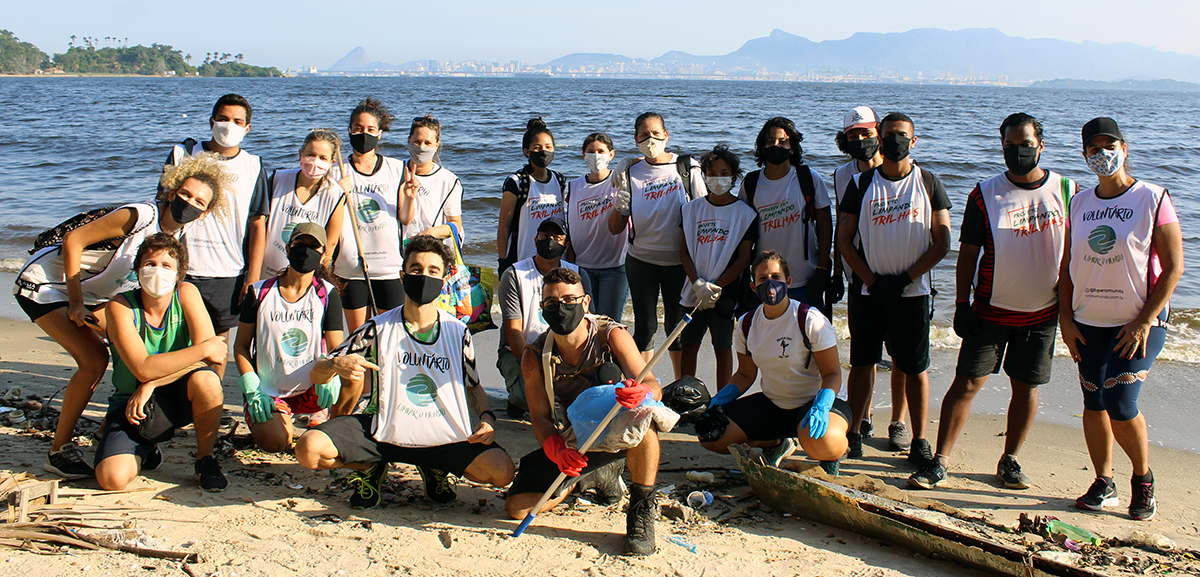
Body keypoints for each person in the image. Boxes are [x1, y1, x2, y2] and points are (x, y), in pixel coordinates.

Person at [16, 154, 227, 479]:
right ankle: (59, 449)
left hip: (95, 294)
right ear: (172, 192)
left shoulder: (177, 238)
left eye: (199, 201)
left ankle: (122, 431)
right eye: (185, 195)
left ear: (207, 211)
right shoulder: (141, 215)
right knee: (94, 359)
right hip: (49, 285)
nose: (189, 203)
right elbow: (74, 240)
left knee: (130, 343)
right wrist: (74, 302)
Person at [909, 113, 1076, 490]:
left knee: (1026, 387)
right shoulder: (985, 193)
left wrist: (1073, 311)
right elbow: (967, 253)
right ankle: (940, 461)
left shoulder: (1068, 191)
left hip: (1042, 314)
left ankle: (1010, 460)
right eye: (1010, 146)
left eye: (1026, 145)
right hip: (990, 311)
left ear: (1041, 145)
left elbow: (1078, 255)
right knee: (966, 384)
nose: (1018, 152)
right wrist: (962, 304)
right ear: (1001, 147)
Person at [295, 236, 514, 508]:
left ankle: (435, 470)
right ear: (402, 276)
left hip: (441, 436)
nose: (424, 276)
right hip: (383, 432)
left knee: (502, 471)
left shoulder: (458, 333)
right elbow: (316, 374)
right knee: (309, 449)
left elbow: (474, 387)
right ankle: (369, 468)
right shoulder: (377, 328)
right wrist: (335, 365)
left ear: (444, 280)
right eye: (416, 269)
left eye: (433, 271)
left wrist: (487, 418)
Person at [1059, 117, 1182, 521]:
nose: (1101, 154)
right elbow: (1067, 266)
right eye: (1093, 149)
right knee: (1093, 399)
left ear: (1124, 148)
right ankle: (1103, 481)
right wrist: (1066, 318)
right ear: (1084, 155)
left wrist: (1145, 321)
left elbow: (1173, 267)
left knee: (1120, 400)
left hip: (1136, 321)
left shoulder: (1152, 197)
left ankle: (1143, 481)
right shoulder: (1079, 202)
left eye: (1108, 146)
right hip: (1088, 320)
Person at [504, 267, 663, 556]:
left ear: (586, 302)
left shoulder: (610, 335)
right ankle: (584, 480)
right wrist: (555, 450)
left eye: (569, 300)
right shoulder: (534, 356)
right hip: (576, 440)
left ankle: (641, 510)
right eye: (551, 303)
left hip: (617, 426)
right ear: (542, 308)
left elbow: (652, 383)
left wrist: (643, 392)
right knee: (517, 507)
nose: (561, 307)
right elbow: (539, 417)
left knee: (645, 418)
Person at [837, 112, 952, 466]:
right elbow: (844, 239)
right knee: (862, 363)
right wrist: (871, 280)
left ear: (913, 141)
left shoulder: (929, 182)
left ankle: (918, 439)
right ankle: (854, 432)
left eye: (901, 135)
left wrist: (905, 279)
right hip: (869, 293)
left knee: (914, 366)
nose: (894, 141)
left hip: (912, 293)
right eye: (887, 134)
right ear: (878, 138)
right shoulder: (861, 184)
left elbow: (943, 240)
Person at [94, 233, 228, 491]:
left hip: (177, 394)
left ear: (179, 274)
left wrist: (152, 383)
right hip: (132, 403)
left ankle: (205, 459)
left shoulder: (186, 293)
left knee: (207, 380)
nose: (157, 271)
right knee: (112, 480)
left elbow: (216, 356)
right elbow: (142, 367)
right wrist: (148, 380)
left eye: (167, 266)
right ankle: (146, 448)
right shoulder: (120, 306)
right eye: (149, 264)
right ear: (137, 269)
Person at [700, 251, 849, 476]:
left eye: (776, 277)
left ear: (788, 282)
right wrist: (718, 400)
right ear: (753, 286)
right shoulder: (746, 324)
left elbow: (832, 375)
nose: (770, 283)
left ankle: (831, 458)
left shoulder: (810, 319)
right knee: (711, 435)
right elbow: (745, 375)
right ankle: (776, 444)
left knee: (825, 442)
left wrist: (822, 406)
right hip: (774, 403)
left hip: (816, 404)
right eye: (762, 278)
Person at [165, 93, 269, 382]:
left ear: (247, 128)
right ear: (211, 121)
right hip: (183, 268)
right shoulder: (184, 154)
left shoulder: (253, 166)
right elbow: (164, 207)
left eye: (237, 121)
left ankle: (210, 400)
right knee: (177, 340)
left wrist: (252, 278)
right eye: (223, 119)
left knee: (217, 346)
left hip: (229, 272)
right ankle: (172, 400)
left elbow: (258, 223)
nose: (228, 126)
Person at [234, 223, 358, 452]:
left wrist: (331, 375)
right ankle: (280, 417)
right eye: (300, 244)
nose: (306, 251)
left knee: (354, 376)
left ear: (322, 255)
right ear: (288, 248)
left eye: (313, 246)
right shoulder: (259, 292)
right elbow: (241, 346)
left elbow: (335, 349)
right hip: (268, 389)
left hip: (312, 387)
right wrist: (251, 385)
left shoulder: (327, 294)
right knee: (275, 442)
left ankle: (334, 426)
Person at [833, 106, 910, 453]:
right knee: (864, 355)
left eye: (865, 133)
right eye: (853, 135)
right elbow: (842, 228)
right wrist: (838, 271)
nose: (861, 140)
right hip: (860, 278)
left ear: (878, 132)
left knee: (900, 356)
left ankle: (899, 421)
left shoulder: (897, 169)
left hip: (901, 279)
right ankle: (860, 419)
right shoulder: (842, 175)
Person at [608, 112, 706, 380]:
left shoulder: (687, 167)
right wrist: (620, 206)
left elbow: (705, 213)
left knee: (676, 328)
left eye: (655, 133)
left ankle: (681, 386)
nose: (650, 139)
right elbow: (615, 227)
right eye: (643, 135)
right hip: (641, 262)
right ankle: (644, 385)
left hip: (679, 263)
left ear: (666, 135)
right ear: (635, 138)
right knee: (645, 327)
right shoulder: (629, 171)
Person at [332, 97, 420, 332]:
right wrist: (337, 193)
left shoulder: (395, 168)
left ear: (380, 133)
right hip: (350, 267)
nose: (364, 134)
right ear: (349, 130)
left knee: (390, 334)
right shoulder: (337, 170)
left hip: (388, 266)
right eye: (358, 128)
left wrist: (410, 197)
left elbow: (405, 219)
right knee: (358, 337)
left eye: (370, 129)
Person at [497, 217, 592, 419]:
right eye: (544, 236)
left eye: (557, 237)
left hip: (564, 353)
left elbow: (587, 323)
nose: (549, 240)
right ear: (535, 240)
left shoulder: (578, 275)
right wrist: (532, 367)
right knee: (528, 399)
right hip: (524, 351)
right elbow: (513, 331)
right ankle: (518, 395)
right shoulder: (514, 274)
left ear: (566, 245)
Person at [680, 145, 757, 390]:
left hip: (724, 292)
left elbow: (744, 259)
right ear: (703, 174)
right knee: (689, 345)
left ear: (734, 177)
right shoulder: (691, 209)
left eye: (724, 173)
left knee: (722, 347)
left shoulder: (745, 213)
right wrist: (697, 283)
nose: (717, 178)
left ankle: (721, 402)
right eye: (711, 173)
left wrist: (715, 287)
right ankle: (686, 394)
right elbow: (683, 251)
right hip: (693, 289)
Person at [738, 117, 832, 309]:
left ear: (793, 147)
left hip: (806, 279)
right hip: (766, 281)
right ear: (762, 147)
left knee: (809, 335)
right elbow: (742, 233)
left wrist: (822, 269)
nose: (776, 145)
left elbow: (825, 225)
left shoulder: (808, 178)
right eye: (770, 141)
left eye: (783, 141)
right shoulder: (751, 183)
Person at [260, 129, 346, 277]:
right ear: (300, 154)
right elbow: (258, 225)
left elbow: (330, 246)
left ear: (332, 162)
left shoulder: (335, 194)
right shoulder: (277, 179)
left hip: (304, 277)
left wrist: (317, 278)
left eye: (322, 158)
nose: (315, 162)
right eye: (311, 155)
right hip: (266, 272)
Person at [567, 132, 629, 322]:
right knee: (586, 322)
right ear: (583, 155)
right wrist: (570, 265)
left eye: (601, 151)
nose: (596, 155)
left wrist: (627, 161)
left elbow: (651, 161)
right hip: (583, 266)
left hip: (615, 267)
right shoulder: (573, 186)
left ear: (611, 154)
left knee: (609, 324)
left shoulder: (621, 182)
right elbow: (570, 228)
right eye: (591, 151)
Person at [497, 118, 566, 274]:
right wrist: (502, 260)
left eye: (548, 147)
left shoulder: (559, 180)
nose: (544, 151)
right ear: (527, 151)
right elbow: (504, 226)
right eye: (537, 147)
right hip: (523, 257)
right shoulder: (517, 182)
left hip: (555, 257)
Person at [401, 115, 464, 245]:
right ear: (408, 141)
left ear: (436, 145)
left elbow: (455, 224)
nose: (421, 147)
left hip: (431, 248)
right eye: (417, 142)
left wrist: (430, 234)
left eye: (427, 143)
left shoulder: (448, 181)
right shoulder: (394, 171)